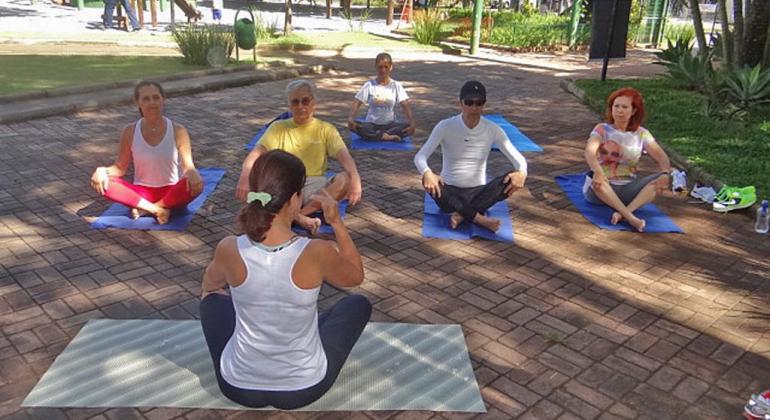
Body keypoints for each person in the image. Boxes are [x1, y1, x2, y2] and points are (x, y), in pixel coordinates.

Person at [200, 149, 371, 409]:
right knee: (358, 304)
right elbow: (355, 276)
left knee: (211, 301)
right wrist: (336, 223)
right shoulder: (316, 251)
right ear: (294, 200)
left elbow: (209, 289)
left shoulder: (229, 247)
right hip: (303, 388)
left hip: (238, 387)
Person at [236, 79, 363, 234]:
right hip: (285, 185)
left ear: (314, 102)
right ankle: (299, 218)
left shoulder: (326, 129)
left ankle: (298, 216)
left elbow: (344, 157)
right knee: (259, 184)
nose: (301, 106)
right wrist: (244, 176)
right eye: (295, 102)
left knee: (344, 179)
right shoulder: (278, 128)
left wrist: (355, 178)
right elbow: (256, 152)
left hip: (314, 185)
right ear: (289, 105)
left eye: (305, 101)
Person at [414, 80, 528, 232]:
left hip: (478, 194)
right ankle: (480, 219)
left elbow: (518, 159)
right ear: (461, 103)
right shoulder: (445, 126)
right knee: (426, 179)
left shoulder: (493, 129)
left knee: (510, 178)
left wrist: (522, 172)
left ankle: (462, 215)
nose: (474, 107)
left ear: (484, 104)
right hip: (449, 194)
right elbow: (420, 156)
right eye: (469, 102)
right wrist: (427, 173)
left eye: (479, 103)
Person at [89, 81, 204, 224]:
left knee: (198, 183)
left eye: (156, 97)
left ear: (163, 99)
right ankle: (157, 210)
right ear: (138, 102)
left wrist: (193, 173)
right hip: (141, 193)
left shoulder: (178, 130)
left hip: (171, 192)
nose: (152, 103)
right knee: (106, 183)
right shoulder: (129, 131)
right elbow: (119, 168)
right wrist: (102, 171)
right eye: (146, 99)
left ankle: (149, 208)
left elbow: (188, 166)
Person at [583, 87, 671, 232]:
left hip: (628, 189)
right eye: (616, 106)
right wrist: (597, 171)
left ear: (634, 111)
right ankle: (631, 218)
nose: (619, 110)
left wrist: (665, 173)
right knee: (597, 179)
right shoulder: (602, 129)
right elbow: (589, 151)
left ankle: (623, 213)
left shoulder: (642, 133)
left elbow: (662, 157)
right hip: (602, 189)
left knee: (662, 179)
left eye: (624, 107)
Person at [347, 53, 416, 142]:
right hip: (371, 125)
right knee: (354, 126)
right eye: (380, 67)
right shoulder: (369, 85)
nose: (383, 70)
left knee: (407, 128)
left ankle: (378, 136)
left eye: (386, 67)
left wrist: (412, 122)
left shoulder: (396, 85)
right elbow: (357, 102)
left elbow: (405, 104)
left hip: (390, 125)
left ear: (391, 67)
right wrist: (350, 118)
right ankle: (386, 137)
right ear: (376, 67)